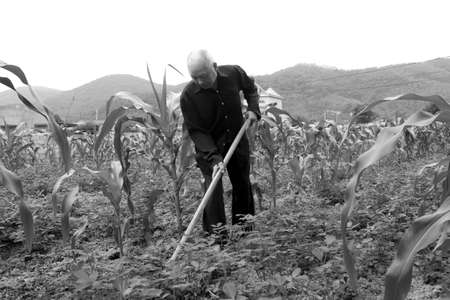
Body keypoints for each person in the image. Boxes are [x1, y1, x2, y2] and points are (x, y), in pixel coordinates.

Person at [180, 49, 261, 236]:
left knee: (241, 183)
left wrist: (253, 109)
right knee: (213, 187)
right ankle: (216, 238)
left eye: (203, 76)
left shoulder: (233, 74)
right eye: (194, 78)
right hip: (209, 147)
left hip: (236, 138)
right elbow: (197, 131)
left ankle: (244, 231)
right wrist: (214, 158)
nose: (199, 81)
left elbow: (250, 88)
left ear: (214, 67)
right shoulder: (189, 96)